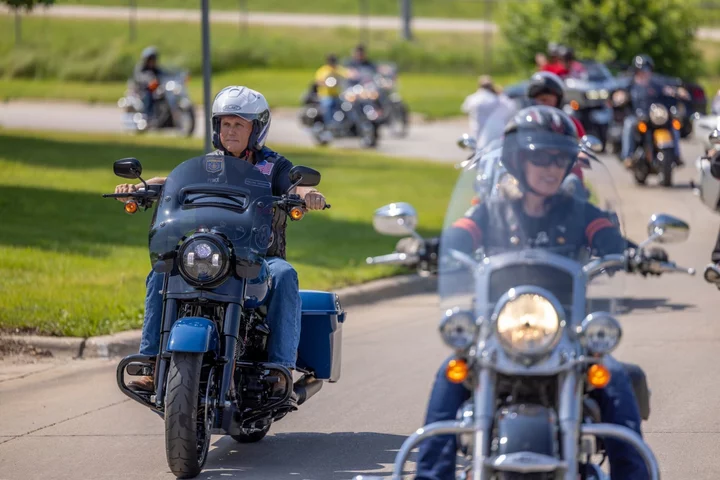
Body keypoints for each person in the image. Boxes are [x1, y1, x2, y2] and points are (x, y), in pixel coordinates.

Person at [415, 106, 661, 480]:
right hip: (500, 330)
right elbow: (460, 234)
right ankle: (431, 476)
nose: (551, 167)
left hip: (565, 332)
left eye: (559, 159)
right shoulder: (492, 211)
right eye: (540, 158)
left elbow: (607, 236)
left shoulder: (579, 211)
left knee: (610, 376)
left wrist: (636, 253)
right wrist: (431, 247)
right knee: (452, 375)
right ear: (517, 161)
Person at [113, 86, 327, 406]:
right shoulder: (209, 165)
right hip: (209, 255)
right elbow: (171, 182)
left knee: (285, 275)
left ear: (256, 128)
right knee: (161, 273)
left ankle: (279, 369)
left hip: (259, 258)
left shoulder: (275, 166)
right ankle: (153, 361)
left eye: (239, 124)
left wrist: (307, 196)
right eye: (225, 124)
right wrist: (140, 189)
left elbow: (296, 187)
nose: (231, 131)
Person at [526, 71, 590, 200]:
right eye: (538, 99)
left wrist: (579, 156)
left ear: (558, 100)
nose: (541, 103)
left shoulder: (570, 124)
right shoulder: (524, 123)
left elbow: (583, 151)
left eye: (546, 99)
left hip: (562, 175)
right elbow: (505, 145)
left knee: (573, 183)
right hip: (530, 176)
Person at [620, 54, 683, 168]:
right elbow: (619, 91)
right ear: (635, 71)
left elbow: (669, 87)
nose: (644, 73)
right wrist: (620, 96)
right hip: (638, 116)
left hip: (656, 116)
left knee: (674, 127)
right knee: (628, 124)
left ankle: (676, 155)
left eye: (647, 70)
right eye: (641, 70)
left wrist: (677, 90)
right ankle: (627, 156)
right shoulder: (631, 84)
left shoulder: (656, 83)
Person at [460, 75, 500, 143]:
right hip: (493, 132)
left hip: (476, 130)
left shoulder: (472, 98)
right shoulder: (496, 99)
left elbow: (464, 109)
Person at [314, 54, 350, 127]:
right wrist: (327, 83)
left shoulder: (337, 69)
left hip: (337, 95)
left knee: (347, 106)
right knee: (328, 106)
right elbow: (318, 81)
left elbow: (347, 74)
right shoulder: (324, 70)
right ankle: (329, 124)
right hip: (325, 95)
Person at [133, 46, 164, 122]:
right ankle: (148, 116)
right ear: (146, 60)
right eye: (150, 59)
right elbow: (140, 77)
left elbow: (164, 74)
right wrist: (149, 80)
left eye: (154, 59)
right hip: (141, 91)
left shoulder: (156, 69)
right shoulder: (140, 68)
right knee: (149, 95)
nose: (152, 61)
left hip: (155, 90)